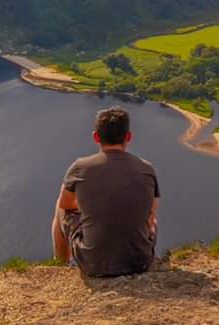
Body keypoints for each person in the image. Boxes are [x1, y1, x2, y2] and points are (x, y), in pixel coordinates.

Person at [51, 106, 159, 277]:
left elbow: (65, 204)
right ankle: (139, 252)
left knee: (59, 207)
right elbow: (150, 216)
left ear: (96, 137)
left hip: (94, 264)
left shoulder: (80, 167)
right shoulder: (147, 169)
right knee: (152, 221)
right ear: (128, 137)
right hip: (140, 262)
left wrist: (92, 204)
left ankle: (60, 265)